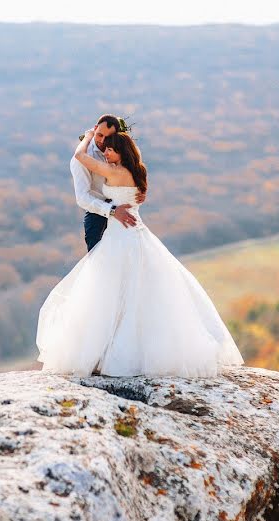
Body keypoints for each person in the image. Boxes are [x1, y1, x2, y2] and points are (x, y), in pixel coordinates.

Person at [36, 128, 244, 377]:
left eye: (110, 149)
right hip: (136, 233)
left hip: (120, 236)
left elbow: (80, 157)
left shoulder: (115, 171)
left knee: (109, 291)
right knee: (137, 292)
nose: (105, 153)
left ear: (120, 152)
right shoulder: (137, 171)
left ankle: (111, 352)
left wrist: (89, 136)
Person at [71, 115, 146, 252]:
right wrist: (112, 211)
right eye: (99, 135)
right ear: (94, 129)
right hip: (98, 216)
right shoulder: (83, 157)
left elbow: (137, 173)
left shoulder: (128, 152)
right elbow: (82, 197)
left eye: (108, 138)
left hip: (126, 217)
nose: (102, 141)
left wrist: (140, 190)